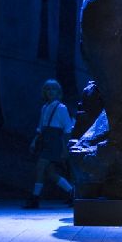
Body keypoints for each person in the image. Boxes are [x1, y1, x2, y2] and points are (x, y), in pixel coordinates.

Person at [23, 79, 75, 209]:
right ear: (44, 92)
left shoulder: (61, 108)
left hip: (54, 141)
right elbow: (41, 127)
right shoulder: (45, 107)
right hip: (45, 140)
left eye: (53, 89)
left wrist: (66, 148)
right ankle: (73, 192)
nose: (51, 91)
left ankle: (35, 198)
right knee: (50, 173)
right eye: (48, 89)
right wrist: (35, 140)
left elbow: (67, 129)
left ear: (58, 92)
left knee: (40, 167)